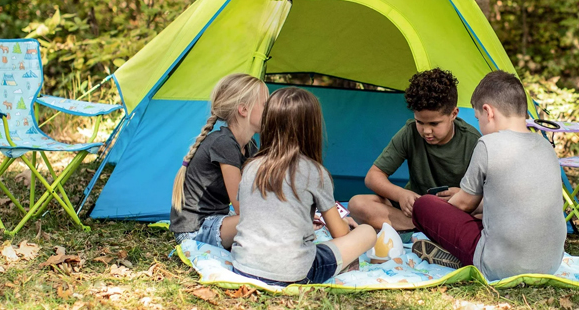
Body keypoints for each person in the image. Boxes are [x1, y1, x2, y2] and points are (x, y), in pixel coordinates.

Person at [411, 71, 566, 281]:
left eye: (478, 119)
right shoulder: (546, 146)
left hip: (499, 266)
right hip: (550, 264)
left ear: (488, 112)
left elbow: (463, 205)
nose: (479, 125)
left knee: (424, 206)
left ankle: (458, 254)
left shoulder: (488, 144)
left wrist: (441, 209)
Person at [231, 87, 377, 286]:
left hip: (243, 268)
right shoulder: (315, 173)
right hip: (294, 273)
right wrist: (346, 225)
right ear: (312, 128)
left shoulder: (250, 167)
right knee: (367, 232)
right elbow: (340, 233)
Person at [348, 68, 481, 232]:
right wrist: (401, 195)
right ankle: (429, 229)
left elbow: (489, 195)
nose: (426, 131)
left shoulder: (473, 140)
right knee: (357, 204)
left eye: (434, 124)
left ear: (454, 113)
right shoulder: (410, 132)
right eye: (420, 122)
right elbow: (373, 177)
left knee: (484, 212)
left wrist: (463, 196)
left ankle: (427, 228)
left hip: (453, 210)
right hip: (413, 211)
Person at [170, 73, 268, 249]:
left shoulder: (249, 145)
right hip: (194, 230)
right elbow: (241, 206)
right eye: (265, 105)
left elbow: (260, 189)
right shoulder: (224, 143)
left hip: (217, 219)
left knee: (273, 217)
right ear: (243, 110)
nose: (271, 110)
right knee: (265, 219)